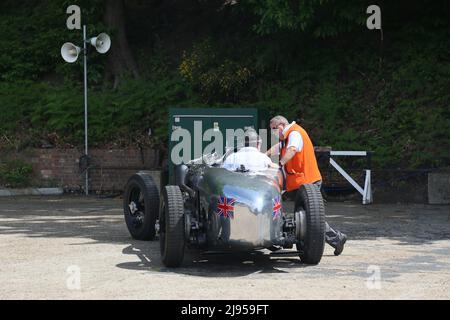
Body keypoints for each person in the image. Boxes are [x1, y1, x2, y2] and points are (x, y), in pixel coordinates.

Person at [267, 115, 347, 256]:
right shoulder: (288, 136)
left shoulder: (295, 134)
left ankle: (337, 238)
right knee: (310, 217)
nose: (273, 133)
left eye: (273, 129)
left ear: (280, 126)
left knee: (311, 218)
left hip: (307, 181)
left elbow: (291, 150)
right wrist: (263, 155)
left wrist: (280, 164)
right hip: (302, 182)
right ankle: (337, 239)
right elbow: (278, 147)